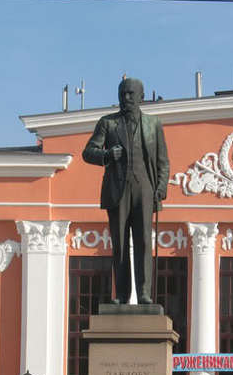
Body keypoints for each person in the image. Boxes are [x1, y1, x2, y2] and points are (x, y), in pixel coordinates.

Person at [82, 77, 170, 305]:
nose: (126, 98)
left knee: (143, 243)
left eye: (131, 94)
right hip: (117, 190)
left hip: (145, 189)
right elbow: (88, 152)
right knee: (120, 244)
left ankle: (144, 294)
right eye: (122, 94)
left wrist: (161, 187)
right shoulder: (107, 123)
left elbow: (163, 162)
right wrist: (107, 155)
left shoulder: (153, 124)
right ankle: (122, 295)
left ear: (142, 97)